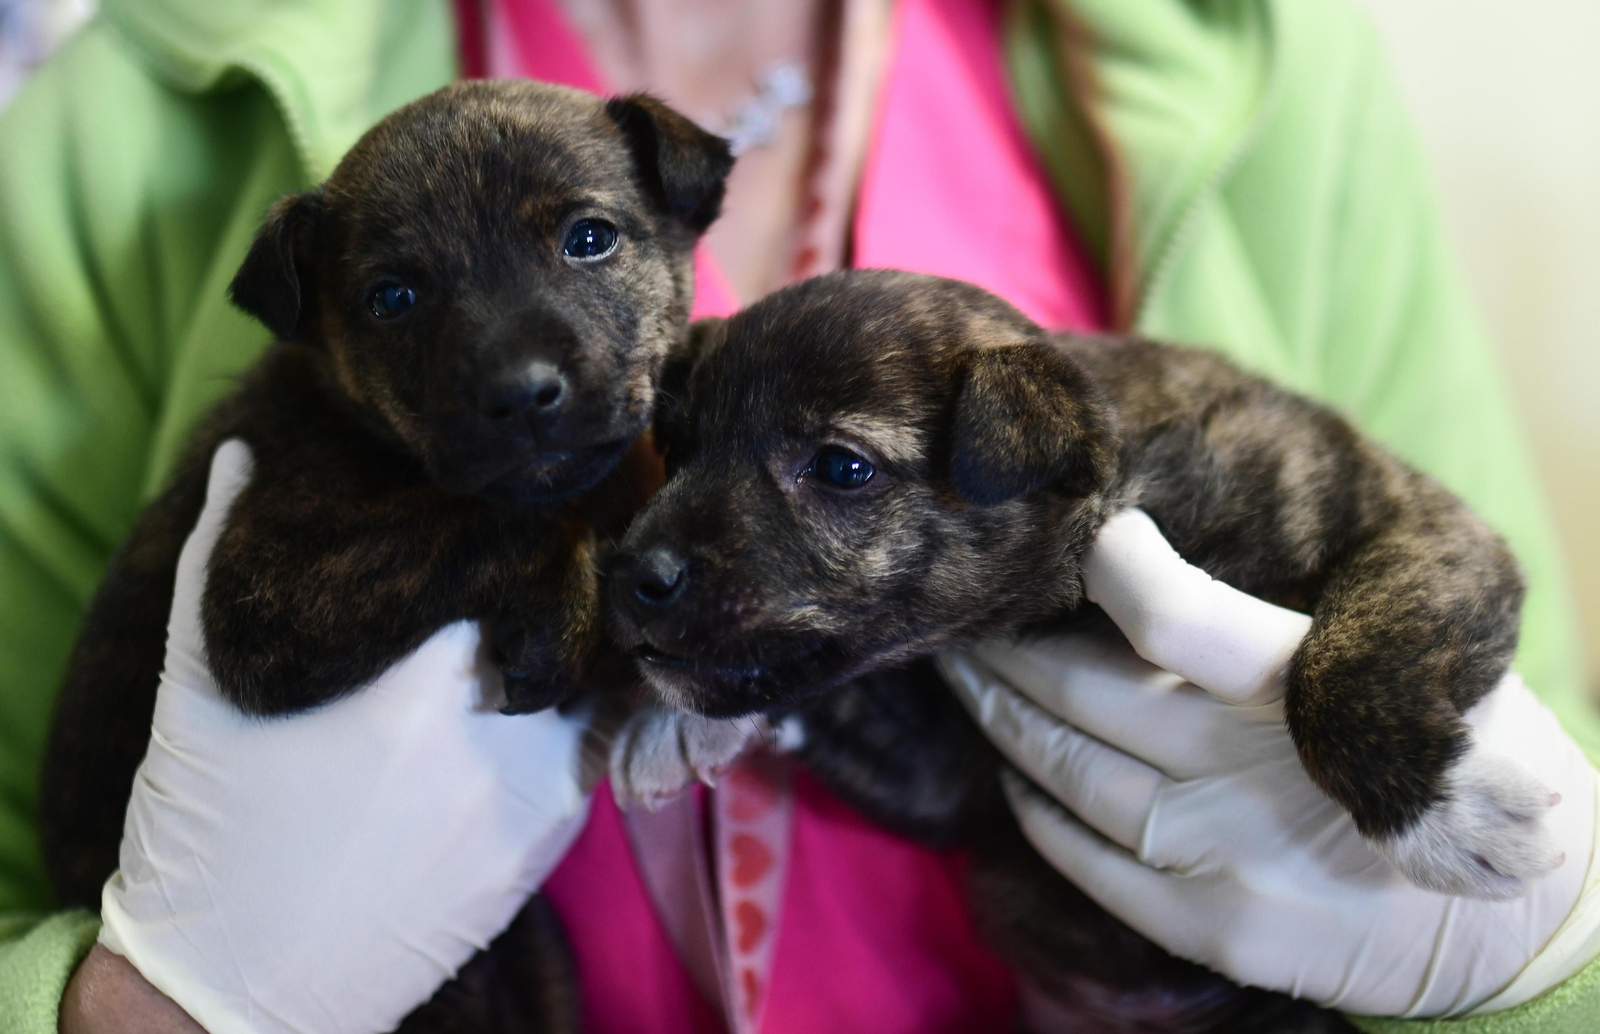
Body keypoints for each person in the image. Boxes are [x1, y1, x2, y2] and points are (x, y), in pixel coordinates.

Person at [0, 0, 1594, 1030]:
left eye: (583, 246)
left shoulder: (1246, 51)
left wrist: (1520, 958)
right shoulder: (134, 112)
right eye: (404, 296)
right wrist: (155, 1005)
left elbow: (1511, 667)